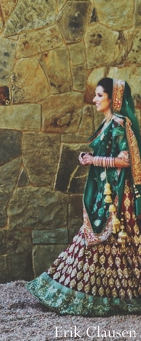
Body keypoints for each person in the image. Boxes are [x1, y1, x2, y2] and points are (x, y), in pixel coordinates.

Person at [27, 78, 141, 315]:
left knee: (108, 238)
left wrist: (93, 160)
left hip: (117, 195)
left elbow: (126, 160)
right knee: (102, 240)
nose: (94, 99)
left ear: (114, 98)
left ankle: (84, 292)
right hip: (107, 191)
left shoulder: (119, 123)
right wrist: (89, 158)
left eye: (100, 95)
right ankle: (98, 291)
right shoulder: (108, 122)